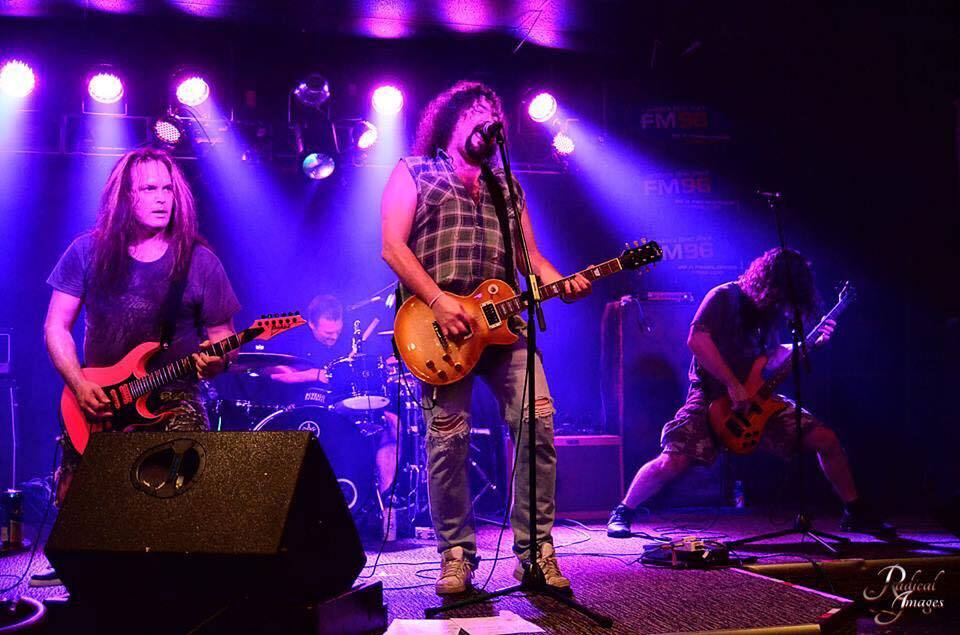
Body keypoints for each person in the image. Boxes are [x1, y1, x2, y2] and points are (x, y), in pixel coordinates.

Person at [381, 80, 591, 595]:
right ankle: (456, 554)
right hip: (439, 326)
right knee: (447, 440)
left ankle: (536, 552)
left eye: (493, 112)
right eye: (475, 110)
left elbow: (530, 259)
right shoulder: (415, 170)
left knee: (538, 424)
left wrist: (562, 281)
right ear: (450, 119)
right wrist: (438, 300)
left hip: (503, 327)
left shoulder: (506, 186)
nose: (486, 118)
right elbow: (392, 247)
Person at [33, 147, 240, 586]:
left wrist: (215, 361)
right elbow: (55, 327)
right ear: (124, 196)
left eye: (168, 189)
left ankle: (177, 574)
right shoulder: (86, 251)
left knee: (182, 489)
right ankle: (78, 563)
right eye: (149, 189)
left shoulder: (199, 261)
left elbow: (224, 339)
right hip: (98, 395)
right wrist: (79, 384)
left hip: (174, 394)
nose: (162, 198)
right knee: (80, 494)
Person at [606, 248, 894, 538]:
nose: (780, 300)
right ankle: (623, 511)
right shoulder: (724, 296)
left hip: (756, 397)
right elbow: (697, 340)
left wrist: (810, 344)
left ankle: (855, 511)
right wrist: (733, 384)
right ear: (768, 281)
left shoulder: (768, 313)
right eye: (779, 291)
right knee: (674, 459)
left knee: (825, 439)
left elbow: (772, 356)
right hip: (711, 395)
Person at [269, 294, 400, 515]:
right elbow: (274, 374)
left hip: (346, 405)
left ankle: (387, 501)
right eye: (328, 333)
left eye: (337, 331)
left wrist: (388, 364)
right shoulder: (295, 341)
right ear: (312, 324)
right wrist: (314, 374)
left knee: (392, 422)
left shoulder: (351, 339)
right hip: (309, 409)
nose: (334, 336)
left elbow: (375, 363)